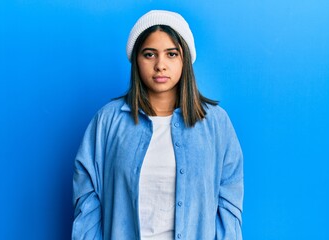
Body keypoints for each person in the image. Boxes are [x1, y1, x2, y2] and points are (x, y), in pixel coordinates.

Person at [72, 10, 243, 240]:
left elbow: (229, 205)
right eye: (149, 55)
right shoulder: (108, 121)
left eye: (171, 54)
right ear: (136, 60)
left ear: (185, 59)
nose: (160, 65)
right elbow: (87, 195)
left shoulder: (216, 124)